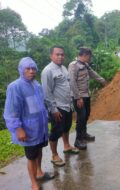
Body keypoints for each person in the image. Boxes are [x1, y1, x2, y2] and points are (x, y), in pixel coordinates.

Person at [4, 57, 55, 190]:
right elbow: (11, 112)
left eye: (33, 68)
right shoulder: (15, 87)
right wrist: (18, 128)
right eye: (28, 68)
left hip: (40, 128)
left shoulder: (36, 85)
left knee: (39, 150)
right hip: (28, 130)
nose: (31, 71)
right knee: (31, 156)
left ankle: (39, 172)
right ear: (21, 70)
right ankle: (34, 183)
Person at [41, 45, 79, 167]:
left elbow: (67, 88)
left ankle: (67, 146)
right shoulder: (48, 71)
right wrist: (53, 109)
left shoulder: (63, 68)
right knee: (56, 131)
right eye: (57, 54)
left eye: (62, 54)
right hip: (57, 108)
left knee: (66, 127)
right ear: (51, 55)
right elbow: (47, 92)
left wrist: (72, 106)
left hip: (67, 105)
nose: (60, 56)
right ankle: (54, 155)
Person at [68, 47, 106, 149]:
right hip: (78, 97)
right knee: (81, 117)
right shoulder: (73, 65)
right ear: (84, 55)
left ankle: (84, 134)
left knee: (86, 115)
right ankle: (78, 140)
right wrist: (78, 97)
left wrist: (102, 80)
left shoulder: (85, 65)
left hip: (86, 95)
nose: (90, 58)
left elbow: (92, 73)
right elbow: (72, 82)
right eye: (89, 56)